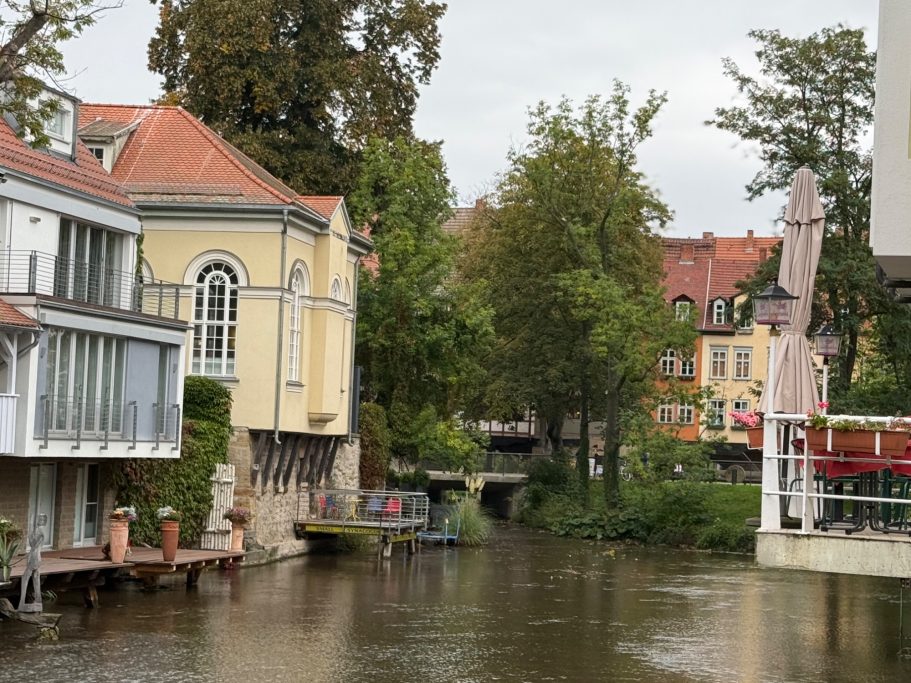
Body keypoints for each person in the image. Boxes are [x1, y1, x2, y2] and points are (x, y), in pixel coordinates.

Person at [18, 515, 46, 613]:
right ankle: (38, 602)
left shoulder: (40, 531)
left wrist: (30, 532)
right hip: (36, 556)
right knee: (35, 577)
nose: (40, 521)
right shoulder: (37, 530)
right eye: (39, 519)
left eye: (42, 519)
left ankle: (22, 603)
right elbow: (32, 544)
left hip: (35, 557)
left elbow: (33, 545)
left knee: (25, 577)